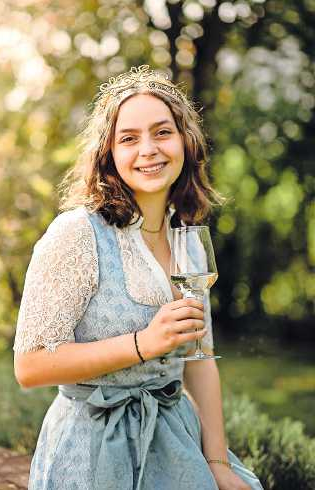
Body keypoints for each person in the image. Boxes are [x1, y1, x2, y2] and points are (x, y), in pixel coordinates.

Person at [13, 65, 263, 490]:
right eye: (129, 138)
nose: (148, 149)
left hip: (173, 442)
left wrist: (217, 462)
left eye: (162, 132)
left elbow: (198, 358)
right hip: (91, 452)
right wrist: (142, 344)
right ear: (108, 152)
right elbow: (30, 365)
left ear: (185, 141)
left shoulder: (187, 237)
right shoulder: (77, 233)